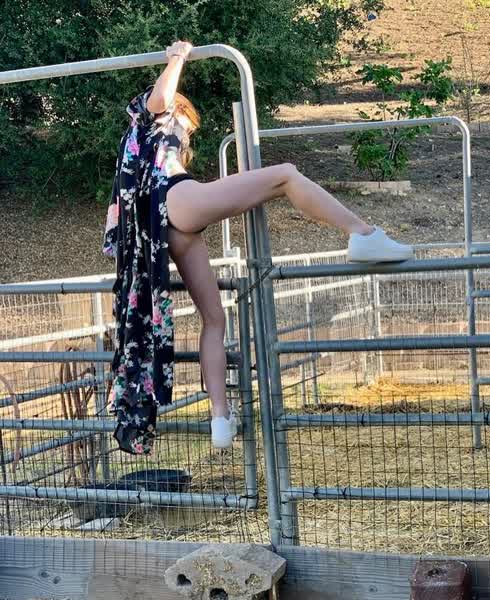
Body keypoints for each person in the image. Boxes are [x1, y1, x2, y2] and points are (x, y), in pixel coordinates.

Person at [103, 40, 414, 455]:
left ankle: (220, 417)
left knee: (214, 319)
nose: (186, 133)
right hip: (174, 198)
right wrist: (178, 55)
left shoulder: (141, 146)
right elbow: (161, 98)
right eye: (185, 124)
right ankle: (362, 233)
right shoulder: (150, 112)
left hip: (163, 226)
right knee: (285, 175)